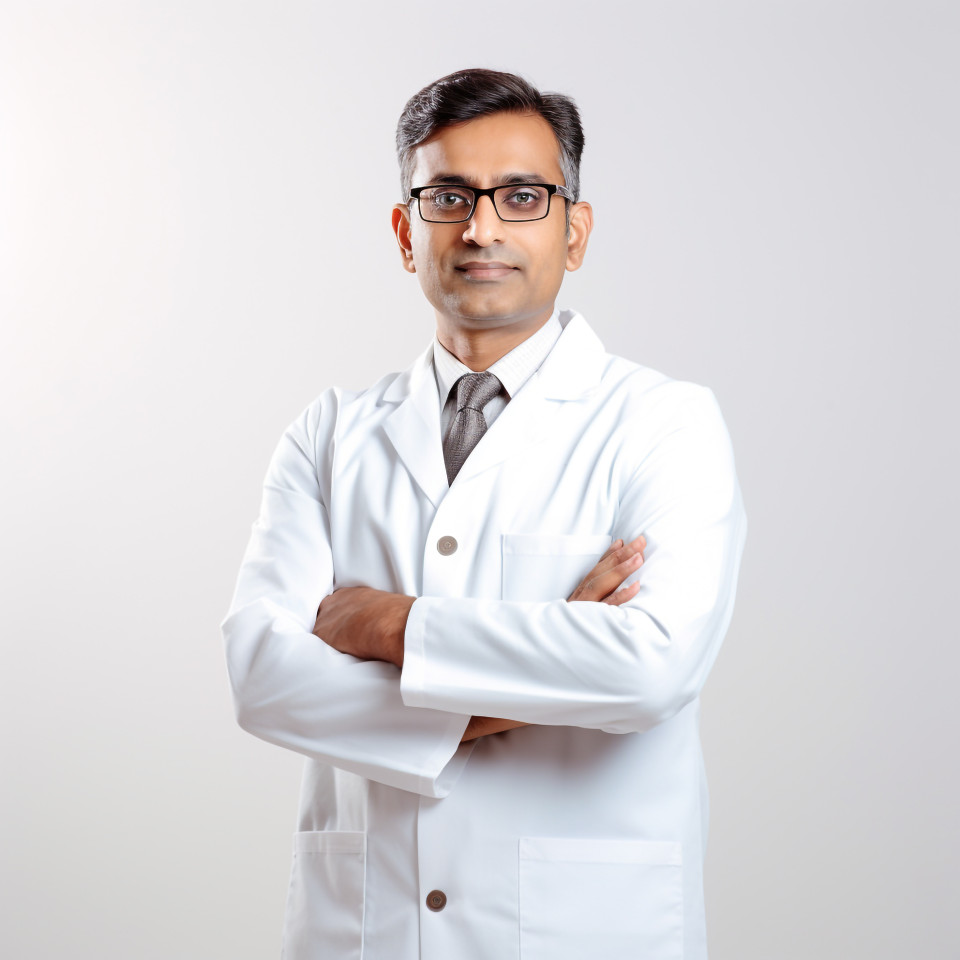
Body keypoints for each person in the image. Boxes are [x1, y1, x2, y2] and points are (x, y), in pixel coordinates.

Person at [222, 67, 747, 960]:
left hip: (584, 930)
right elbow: (264, 678)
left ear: (574, 231)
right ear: (404, 231)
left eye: (523, 195)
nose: (482, 226)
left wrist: (391, 623)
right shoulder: (331, 432)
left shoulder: (666, 422)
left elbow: (649, 670)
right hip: (369, 926)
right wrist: (537, 675)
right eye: (448, 195)